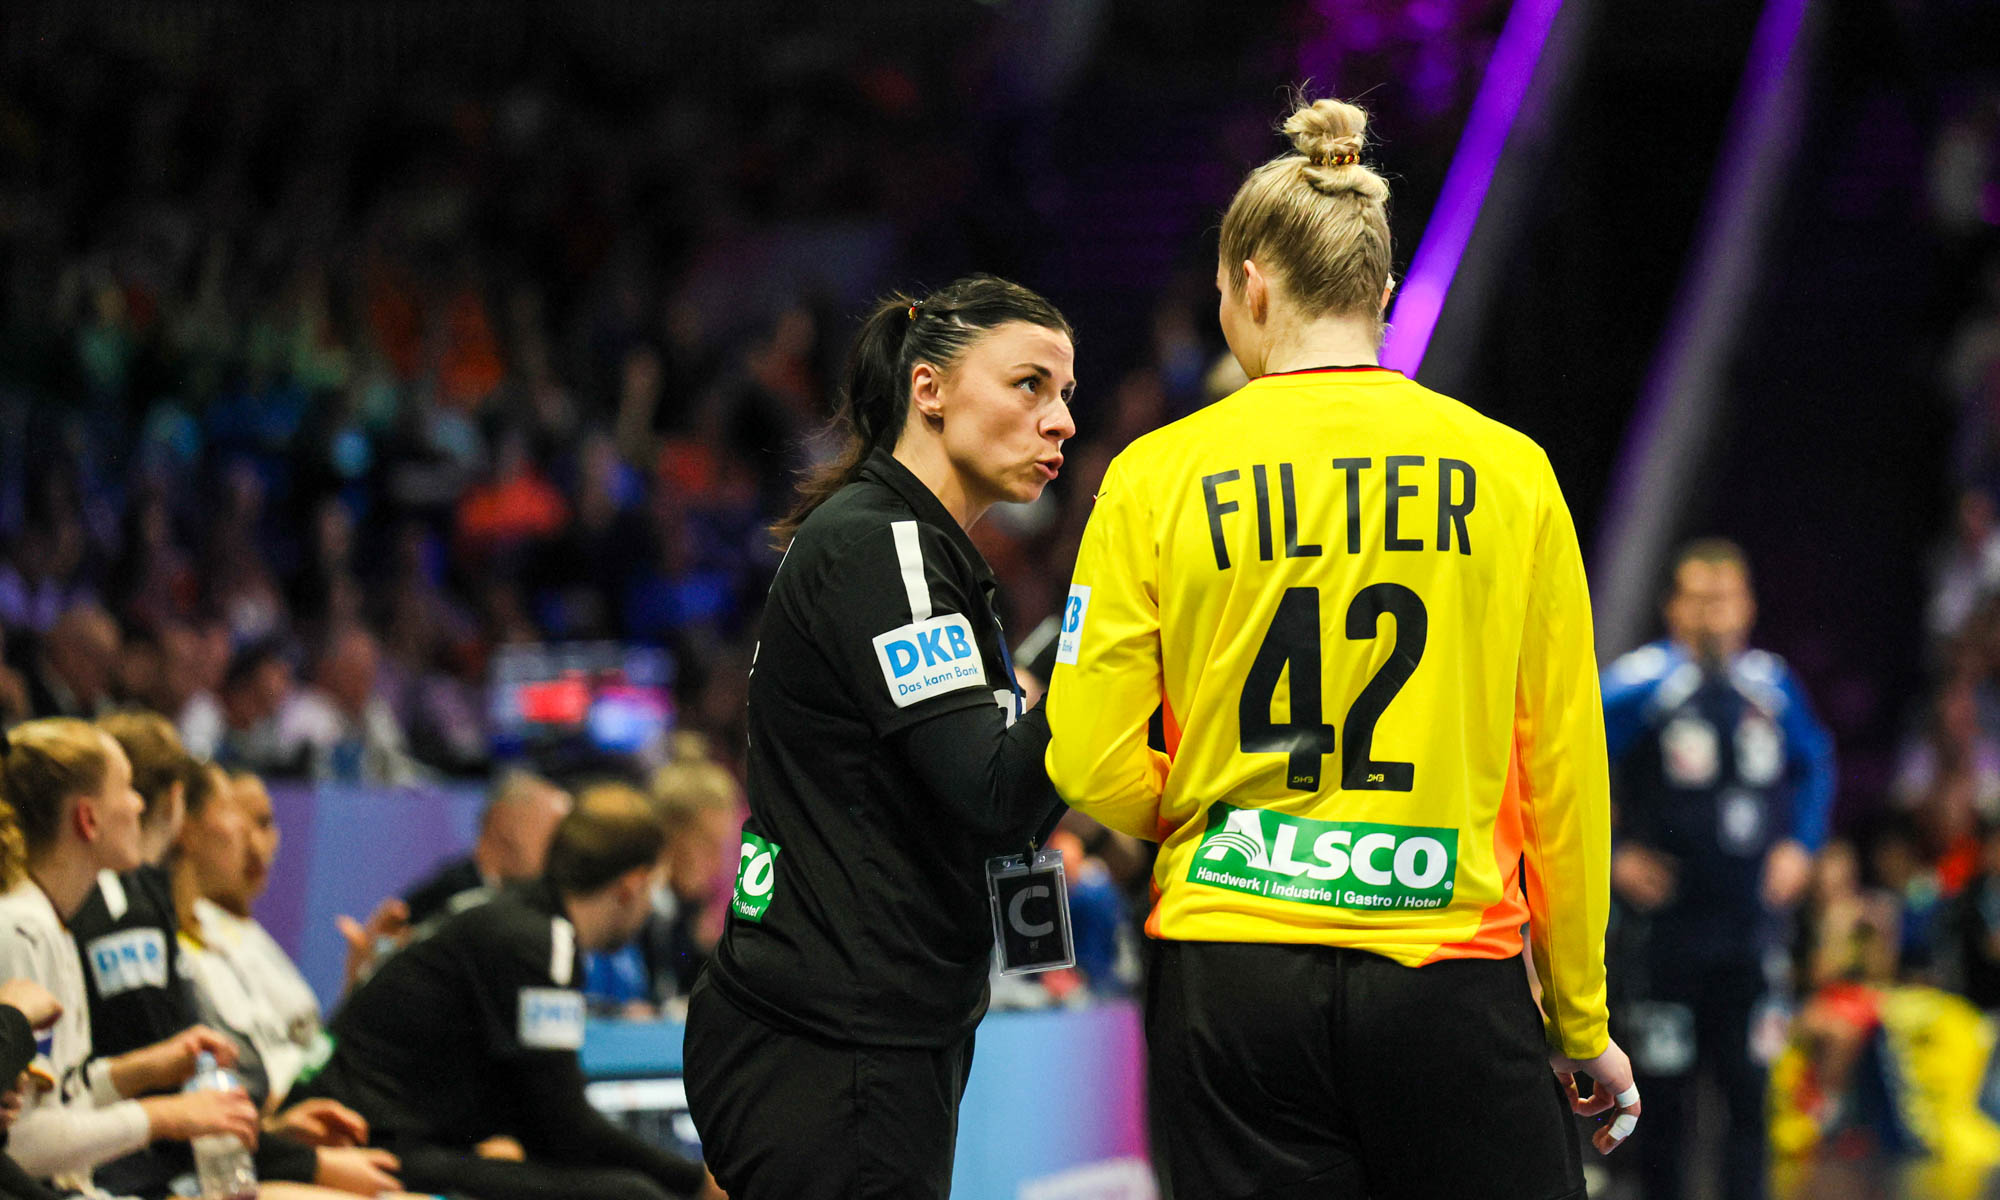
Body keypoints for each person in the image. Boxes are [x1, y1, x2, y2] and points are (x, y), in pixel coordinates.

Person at [1044, 97, 1637, 1199]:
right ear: (1382, 292)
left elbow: (1081, 753)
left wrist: (1212, 819)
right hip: (1445, 966)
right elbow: (1559, 765)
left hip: (1229, 975)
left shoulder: (1152, 474)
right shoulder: (1509, 473)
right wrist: (1579, 1012)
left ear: (1250, 284)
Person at [683, 274, 1075, 1199]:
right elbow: (989, 791)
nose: (1058, 419)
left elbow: (991, 802)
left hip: (865, 1041)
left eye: (1065, 395)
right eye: (1029, 384)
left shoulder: (929, 555)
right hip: (831, 1053)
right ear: (928, 389)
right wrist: (1109, 663)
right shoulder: (883, 544)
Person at [292, 788, 717, 1200]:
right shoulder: (540, 941)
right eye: (655, 889)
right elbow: (567, 1128)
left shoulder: (519, 919)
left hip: (379, 1128)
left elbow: (541, 1116)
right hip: (363, 1142)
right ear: (632, 885)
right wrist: (696, 1181)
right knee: (632, 1194)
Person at [1601, 538, 1835, 1200]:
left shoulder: (1773, 684)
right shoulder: (1637, 684)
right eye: (1698, 599)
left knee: (1750, 1093)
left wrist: (1802, 844)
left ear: (1748, 605)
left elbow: (1815, 762)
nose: (1713, 615)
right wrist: (1612, 856)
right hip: (1667, 931)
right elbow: (1566, 762)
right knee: (1663, 1101)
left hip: (1751, 929)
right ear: (1672, 606)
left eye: (1724, 598)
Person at [0, 718, 260, 1194]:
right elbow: (20, 1145)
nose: (140, 803)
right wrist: (162, 1115)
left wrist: (145, 1068)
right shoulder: (20, 931)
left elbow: (63, 1095)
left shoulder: (52, 921)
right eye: (125, 787)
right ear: (88, 818)